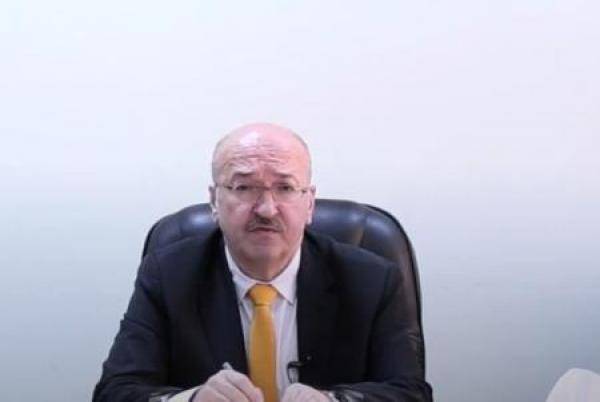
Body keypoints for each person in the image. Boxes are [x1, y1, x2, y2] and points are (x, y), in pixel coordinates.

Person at [93, 123, 433, 402]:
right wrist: (191, 400)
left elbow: (410, 393)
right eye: (244, 188)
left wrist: (334, 401)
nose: (267, 209)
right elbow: (114, 392)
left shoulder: (371, 279)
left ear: (309, 204)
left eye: (285, 188)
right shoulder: (168, 275)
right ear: (214, 201)